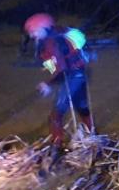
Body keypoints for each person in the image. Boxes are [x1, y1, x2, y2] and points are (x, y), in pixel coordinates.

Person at [23, 13, 94, 150]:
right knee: (82, 107)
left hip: (72, 78)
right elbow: (59, 64)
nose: (32, 35)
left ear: (44, 28)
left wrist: (47, 84)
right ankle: (92, 136)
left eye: (33, 31)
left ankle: (57, 146)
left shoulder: (51, 42)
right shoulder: (58, 34)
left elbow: (61, 69)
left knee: (55, 115)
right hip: (80, 75)